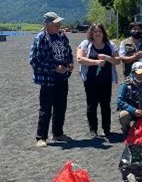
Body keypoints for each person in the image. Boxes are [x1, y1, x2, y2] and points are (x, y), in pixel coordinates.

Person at [29, 12, 74, 147]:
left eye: (59, 23)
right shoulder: (40, 38)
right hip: (48, 79)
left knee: (61, 107)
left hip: (62, 78)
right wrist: (54, 68)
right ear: (47, 25)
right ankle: (41, 137)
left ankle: (58, 133)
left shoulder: (62, 36)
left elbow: (68, 52)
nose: (59, 25)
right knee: (46, 108)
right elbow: (34, 61)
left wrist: (69, 64)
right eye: (56, 23)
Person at [77, 23, 121, 138]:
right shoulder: (86, 44)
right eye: (95, 31)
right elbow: (79, 59)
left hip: (106, 80)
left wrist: (107, 58)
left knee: (105, 105)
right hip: (90, 80)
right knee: (91, 105)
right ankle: (93, 129)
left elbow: (117, 60)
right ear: (91, 33)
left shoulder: (110, 45)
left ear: (103, 33)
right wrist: (95, 62)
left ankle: (106, 129)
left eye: (100, 31)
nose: (97, 34)